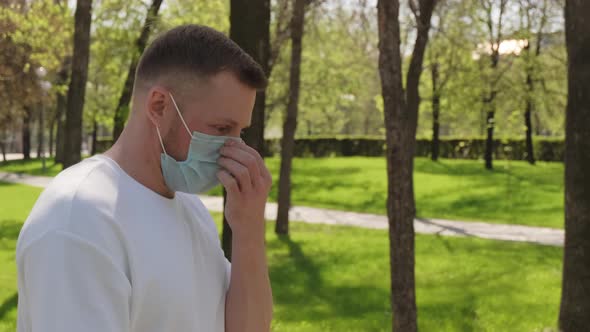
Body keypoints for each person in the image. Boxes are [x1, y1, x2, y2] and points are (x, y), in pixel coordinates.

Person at [15, 24, 273, 332]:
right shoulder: (80, 218)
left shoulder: (189, 207)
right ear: (159, 106)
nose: (235, 148)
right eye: (221, 129)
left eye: (239, 132)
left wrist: (248, 230)